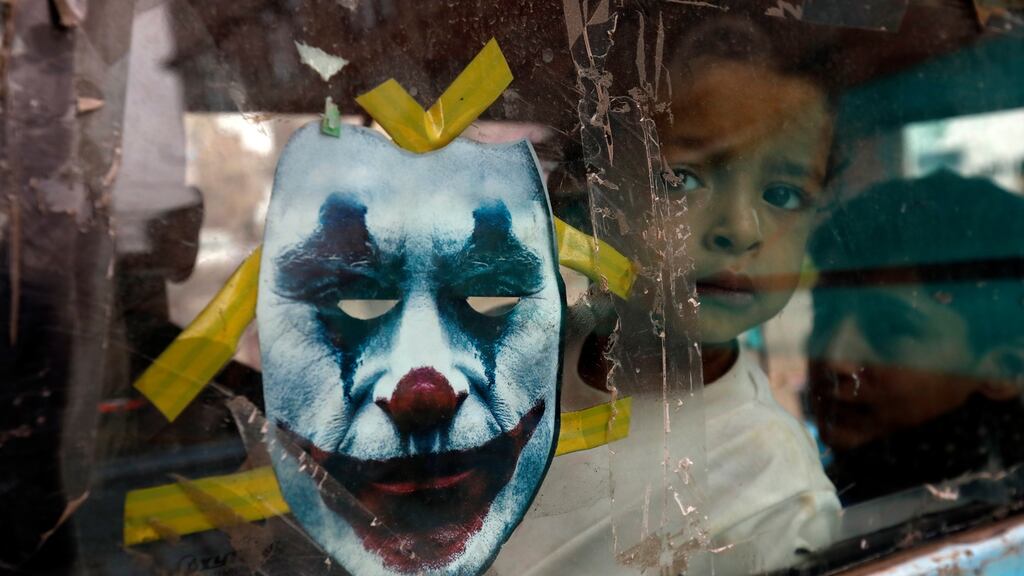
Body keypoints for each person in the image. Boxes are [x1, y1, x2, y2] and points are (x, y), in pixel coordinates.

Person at [657, 49, 841, 571]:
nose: (740, 229)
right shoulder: (516, 371)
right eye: (682, 180)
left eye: (782, 194)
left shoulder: (779, 498)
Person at [807, 171, 1024, 505]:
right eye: (825, 312)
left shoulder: (976, 515)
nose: (834, 357)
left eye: (890, 328)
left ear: (1004, 369)